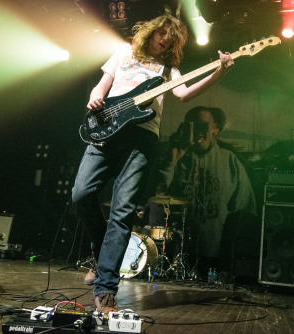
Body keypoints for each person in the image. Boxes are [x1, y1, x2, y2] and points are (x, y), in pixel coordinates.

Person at [71, 14, 235, 312]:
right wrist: (95, 99)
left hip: (142, 139)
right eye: (162, 34)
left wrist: (219, 73)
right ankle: (100, 251)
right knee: (81, 194)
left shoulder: (168, 69)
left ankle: (106, 288)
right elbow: (101, 86)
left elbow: (183, 95)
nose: (164, 40)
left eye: (171, 39)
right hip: (106, 131)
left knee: (122, 211)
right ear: (151, 31)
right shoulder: (123, 52)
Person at [156, 106, 257, 280]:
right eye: (191, 125)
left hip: (216, 251)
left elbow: (245, 208)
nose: (196, 131)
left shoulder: (230, 160)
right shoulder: (175, 157)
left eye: (202, 125)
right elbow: (158, 192)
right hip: (178, 250)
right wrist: (172, 160)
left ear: (215, 129)